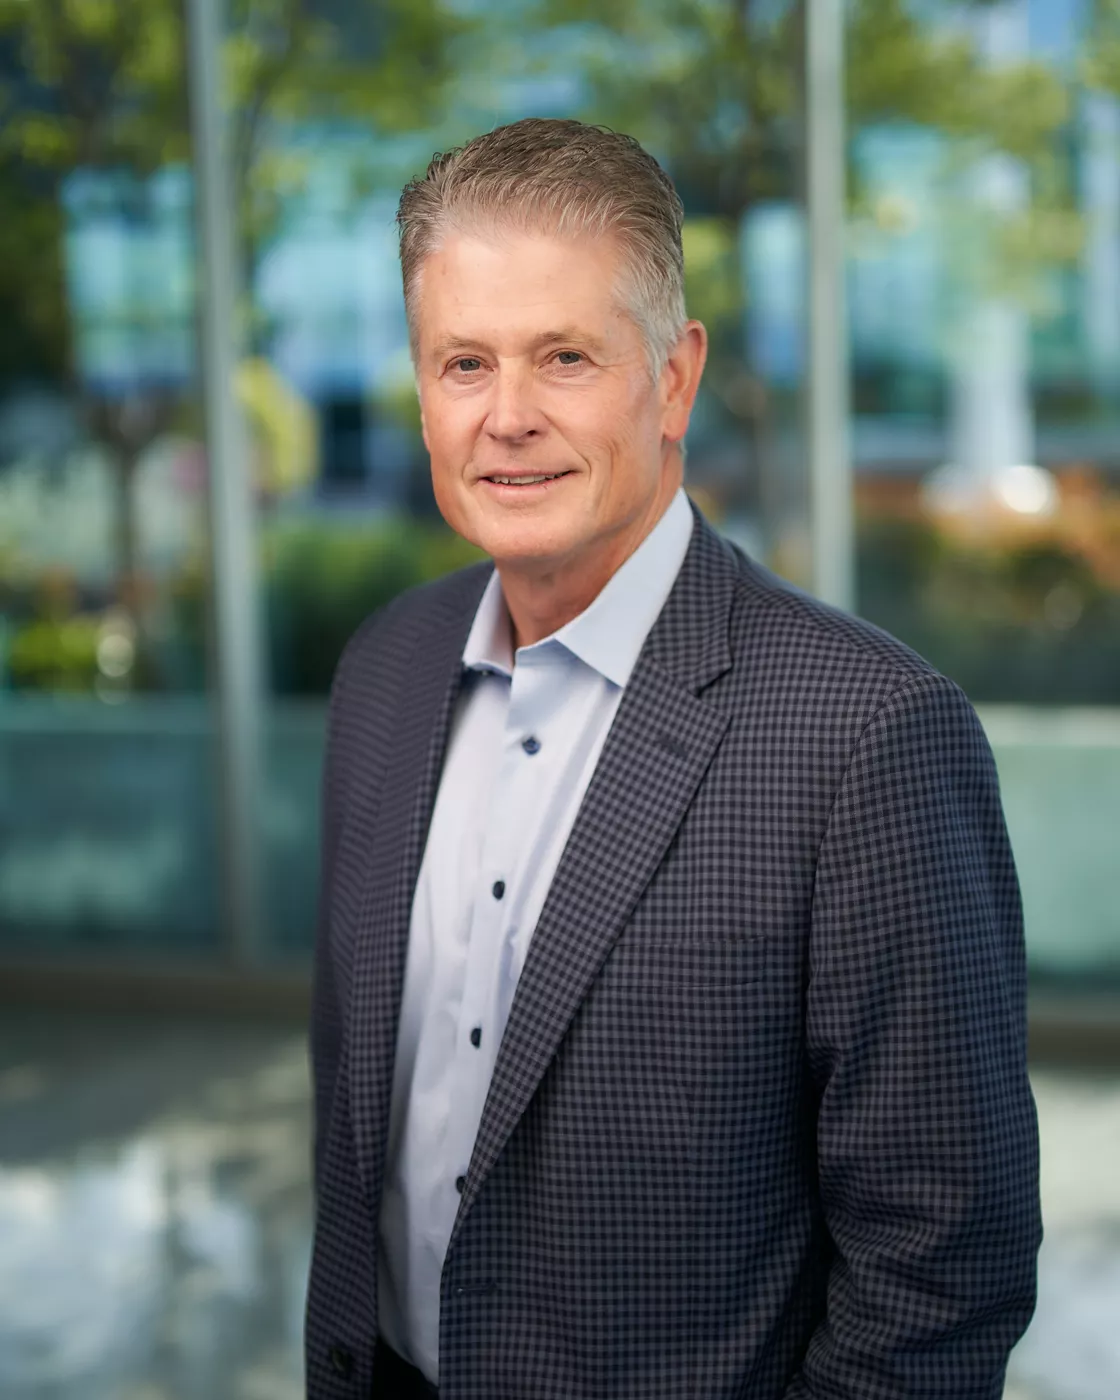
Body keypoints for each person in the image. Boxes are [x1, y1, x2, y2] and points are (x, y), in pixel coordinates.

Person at [305, 118, 1041, 1400]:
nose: (508, 416)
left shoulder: (867, 735)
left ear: (675, 377)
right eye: (463, 361)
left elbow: (943, 1261)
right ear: (421, 392)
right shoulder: (383, 672)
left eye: (566, 357)